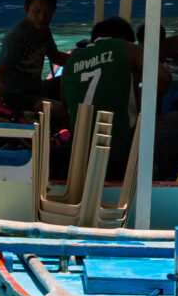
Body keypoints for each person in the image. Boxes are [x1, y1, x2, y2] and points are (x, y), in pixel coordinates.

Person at [60, 16, 140, 180]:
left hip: (76, 156)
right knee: (177, 121)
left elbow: (65, 109)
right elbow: (164, 78)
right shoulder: (124, 48)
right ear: (124, 40)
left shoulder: (70, 62)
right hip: (120, 153)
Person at [0, 0, 66, 116]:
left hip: (36, 89)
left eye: (47, 12)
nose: (42, 17)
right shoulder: (16, 36)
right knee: (59, 110)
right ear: (26, 9)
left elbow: (56, 57)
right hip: (16, 96)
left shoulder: (44, 31)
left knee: (68, 81)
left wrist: (83, 58)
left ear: (54, 11)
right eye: (36, 11)